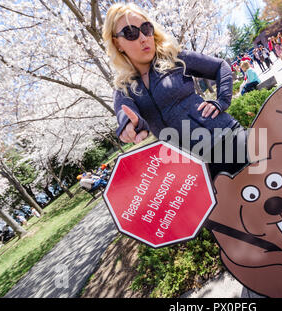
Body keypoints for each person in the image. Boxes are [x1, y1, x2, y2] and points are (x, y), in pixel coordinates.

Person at [102, 3, 249, 179]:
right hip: (193, 170)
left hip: (228, 140)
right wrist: (129, 126)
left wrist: (222, 100)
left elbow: (220, 66)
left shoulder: (175, 58)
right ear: (117, 43)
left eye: (146, 29)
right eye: (131, 33)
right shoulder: (123, 87)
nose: (143, 38)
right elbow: (124, 111)